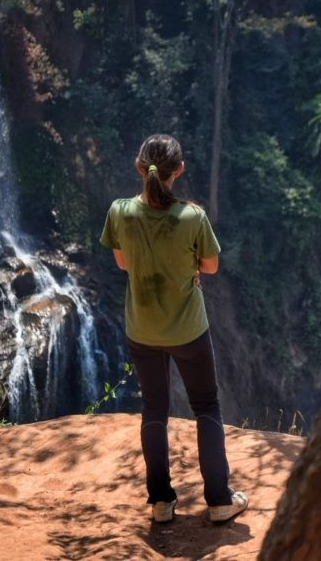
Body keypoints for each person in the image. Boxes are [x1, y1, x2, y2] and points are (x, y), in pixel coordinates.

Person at [100, 133, 248, 525]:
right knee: (206, 407)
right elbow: (211, 267)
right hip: (188, 330)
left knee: (154, 408)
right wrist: (186, 268)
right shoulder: (192, 217)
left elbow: (122, 263)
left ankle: (162, 502)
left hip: (142, 328)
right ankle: (219, 500)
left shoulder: (120, 212)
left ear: (139, 167)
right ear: (178, 170)